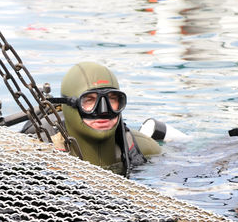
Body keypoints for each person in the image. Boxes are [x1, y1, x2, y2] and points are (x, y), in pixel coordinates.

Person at [17, 62, 172, 175]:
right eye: (89, 100)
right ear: (69, 105)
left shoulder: (144, 148)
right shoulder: (37, 151)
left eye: (112, 99)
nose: (103, 111)